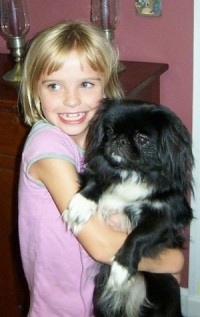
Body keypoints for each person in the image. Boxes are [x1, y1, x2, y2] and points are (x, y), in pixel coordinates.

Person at [18, 21, 184, 317]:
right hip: (62, 310)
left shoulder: (99, 144)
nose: (71, 99)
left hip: (100, 304)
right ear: (34, 91)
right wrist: (171, 261)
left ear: (106, 87)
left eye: (86, 84)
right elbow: (101, 246)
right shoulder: (46, 145)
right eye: (54, 85)